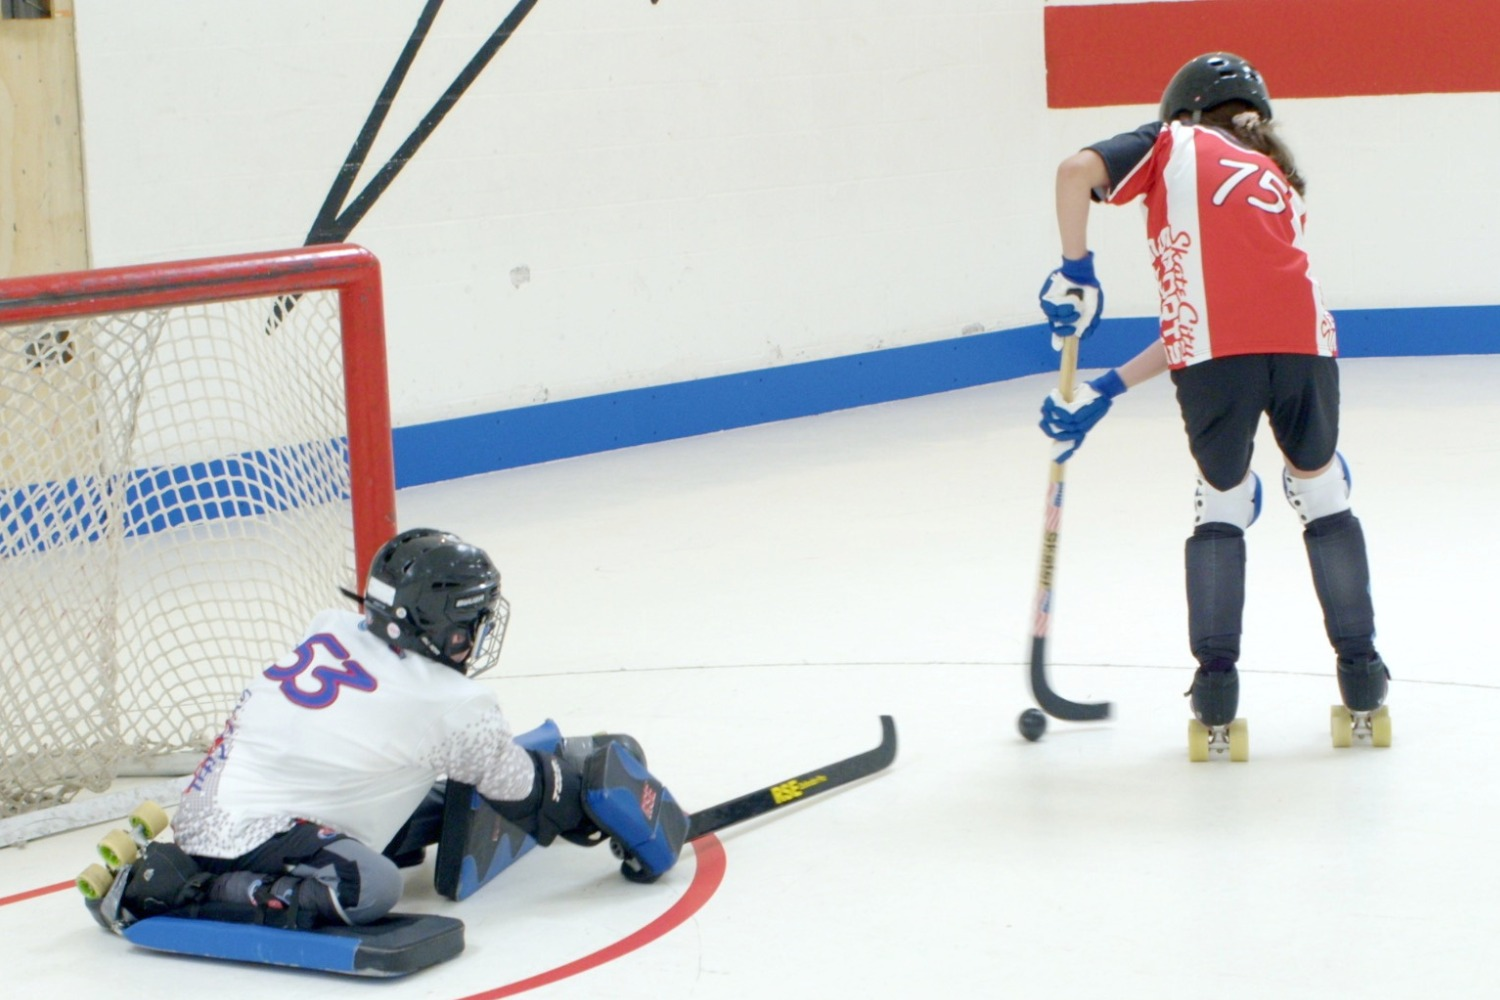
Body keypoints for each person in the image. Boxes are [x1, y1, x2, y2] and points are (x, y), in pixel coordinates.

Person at [1034, 52, 1389, 743]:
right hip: (1306, 348)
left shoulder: (1170, 143)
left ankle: (1217, 693)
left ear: (1185, 111)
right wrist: (1106, 389)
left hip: (1217, 362)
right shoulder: (1280, 180)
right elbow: (1223, 313)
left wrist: (1076, 270)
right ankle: (1364, 675)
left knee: (1221, 500)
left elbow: (1076, 172)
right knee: (1322, 492)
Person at [88, 527, 626, 933]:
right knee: (370, 887)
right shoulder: (451, 701)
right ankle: (180, 887)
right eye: (471, 621)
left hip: (218, 798)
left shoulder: (333, 625)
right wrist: (582, 799)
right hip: (245, 834)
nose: (477, 633)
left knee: (428, 799)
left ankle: (202, 866)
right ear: (442, 625)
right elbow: (526, 791)